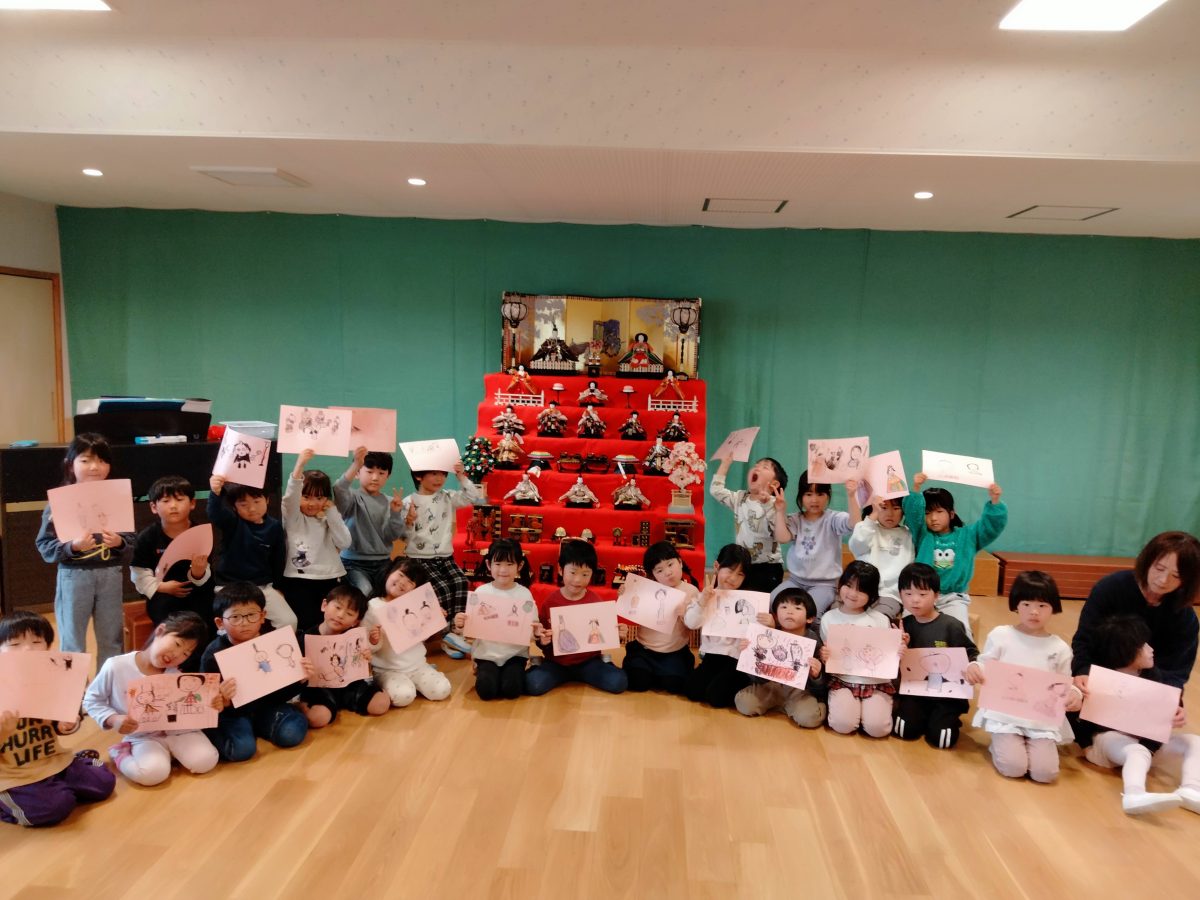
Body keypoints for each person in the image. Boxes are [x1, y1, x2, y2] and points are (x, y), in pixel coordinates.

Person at [1073, 615, 1200, 816]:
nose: (1151, 649)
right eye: (1143, 645)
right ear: (1126, 651)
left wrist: (1174, 712)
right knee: (1136, 751)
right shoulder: (1097, 677)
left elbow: (1159, 716)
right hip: (1106, 742)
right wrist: (1085, 744)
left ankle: (1192, 789)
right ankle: (1134, 794)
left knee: (1193, 741)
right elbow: (1074, 713)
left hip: (1145, 745)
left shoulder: (1153, 675)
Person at [0, 611, 116, 827]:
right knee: (55, 807)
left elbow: (63, 725)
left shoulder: (53, 676)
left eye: (36, 642)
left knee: (103, 783)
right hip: (14, 774)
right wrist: (3, 731)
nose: (27, 649)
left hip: (53, 759)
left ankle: (77, 765)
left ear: (48, 647)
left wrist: (67, 724)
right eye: (14, 644)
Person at [84, 611, 226, 785]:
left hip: (180, 732)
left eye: (186, 653)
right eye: (177, 644)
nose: (177, 655)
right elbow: (91, 700)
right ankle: (121, 753)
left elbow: (193, 710)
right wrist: (113, 719)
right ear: (160, 631)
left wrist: (213, 705)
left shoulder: (179, 676)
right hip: (143, 736)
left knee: (206, 761)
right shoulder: (116, 666)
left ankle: (169, 754)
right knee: (153, 774)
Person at [966, 570, 1080, 783]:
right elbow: (985, 664)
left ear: (1053, 608)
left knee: (1045, 774)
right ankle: (1001, 743)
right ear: (1016, 605)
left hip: (1040, 719)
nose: (1034, 612)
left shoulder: (1060, 648)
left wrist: (1074, 693)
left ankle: (1026, 745)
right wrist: (974, 667)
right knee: (1013, 767)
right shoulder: (1001, 636)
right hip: (1005, 714)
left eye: (1042, 605)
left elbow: (1065, 681)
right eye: (1026, 604)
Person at [35, 433, 134, 670]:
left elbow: (132, 541)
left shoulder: (118, 498)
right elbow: (45, 545)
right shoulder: (59, 502)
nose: (94, 467)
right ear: (71, 464)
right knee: (72, 640)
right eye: (85, 460)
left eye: (102, 460)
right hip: (73, 575)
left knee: (112, 638)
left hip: (110, 573)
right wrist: (72, 546)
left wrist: (119, 542)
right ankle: (75, 690)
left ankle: (106, 687)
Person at [1071, 531, 1200, 693]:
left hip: (1150, 687)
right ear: (1147, 561)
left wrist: (1171, 698)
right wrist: (1083, 670)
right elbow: (1085, 639)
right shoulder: (1111, 588)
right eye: (1159, 568)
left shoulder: (1185, 617)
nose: (1163, 580)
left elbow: (1177, 672)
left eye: (1176, 575)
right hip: (1099, 677)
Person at [199, 583, 311, 761]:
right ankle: (244, 730)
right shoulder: (213, 654)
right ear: (220, 623)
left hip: (268, 707)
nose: (244, 623)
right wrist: (223, 701)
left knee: (292, 733)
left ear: (262, 616)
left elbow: (281, 694)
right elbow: (207, 705)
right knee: (242, 750)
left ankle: (259, 726)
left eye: (251, 615)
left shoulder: (274, 642)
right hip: (233, 715)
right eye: (235, 617)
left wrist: (301, 679)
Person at [902, 473, 1006, 639]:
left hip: (952, 597)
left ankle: (967, 655)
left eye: (939, 512)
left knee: (961, 632)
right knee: (905, 632)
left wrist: (995, 501)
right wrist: (916, 488)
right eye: (928, 513)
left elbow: (990, 527)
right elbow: (913, 514)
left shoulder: (967, 536)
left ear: (951, 514)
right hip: (921, 594)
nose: (933, 518)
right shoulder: (923, 534)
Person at [129, 475, 215, 670]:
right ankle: (168, 667)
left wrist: (198, 573)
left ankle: (198, 670)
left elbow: (206, 574)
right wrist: (161, 587)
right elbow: (139, 571)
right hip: (163, 598)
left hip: (197, 594)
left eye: (180, 499)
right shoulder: (148, 537)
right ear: (153, 507)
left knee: (203, 626)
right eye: (166, 501)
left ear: (192, 503)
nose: (173, 506)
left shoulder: (200, 533)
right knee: (173, 628)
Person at [401, 458, 484, 656]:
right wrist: (409, 522)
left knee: (461, 581)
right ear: (419, 476)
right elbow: (404, 536)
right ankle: (446, 634)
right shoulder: (408, 502)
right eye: (434, 474)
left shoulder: (447, 497)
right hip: (419, 558)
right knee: (442, 588)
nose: (440, 479)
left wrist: (461, 476)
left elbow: (473, 496)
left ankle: (456, 632)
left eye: (443, 474)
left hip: (445, 556)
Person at [893, 563, 979, 750]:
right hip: (916, 691)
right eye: (908, 594)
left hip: (946, 695)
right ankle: (925, 716)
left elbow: (970, 652)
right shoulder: (903, 625)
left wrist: (973, 665)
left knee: (941, 739)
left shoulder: (951, 625)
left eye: (922, 594)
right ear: (900, 595)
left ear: (936, 595)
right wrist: (900, 648)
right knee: (905, 730)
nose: (915, 600)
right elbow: (894, 662)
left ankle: (942, 717)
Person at [525, 540, 628, 695]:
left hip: (589, 662)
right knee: (533, 684)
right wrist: (542, 640)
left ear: (592, 574)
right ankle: (538, 665)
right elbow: (542, 639)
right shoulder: (550, 602)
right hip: (556, 663)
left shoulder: (595, 601)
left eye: (585, 574)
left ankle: (602, 663)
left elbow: (604, 635)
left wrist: (617, 635)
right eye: (573, 573)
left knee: (618, 682)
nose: (578, 580)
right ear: (561, 570)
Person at [451, 539, 535, 701]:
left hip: (515, 655)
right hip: (486, 655)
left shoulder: (524, 594)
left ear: (520, 566)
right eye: (498, 564)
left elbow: (531, 629)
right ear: (489, 565)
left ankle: (514, 671)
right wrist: (460, 625)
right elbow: (470, 630)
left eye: (510, 564)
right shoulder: (481, 592)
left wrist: (535, 632)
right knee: (486, 691)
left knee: (512, 690)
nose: (503, 570)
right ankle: (483, 670)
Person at [362, 557, 453, 707]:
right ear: (388, 572)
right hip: (387, 670)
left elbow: (423, 638)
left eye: (410, 582)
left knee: (443, 690)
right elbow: (365, 646)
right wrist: (373, 640)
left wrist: (433, 620)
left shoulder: (414, 605)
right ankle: (389, 684)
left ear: (415, 589)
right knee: (404, 696)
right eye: (401, 575)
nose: (403, 582)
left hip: (418, 665)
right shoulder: (372, 606)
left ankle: (416, 681)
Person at [208, 474, 294, 630]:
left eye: (257, 501)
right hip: (230, 587)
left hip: (262, 587)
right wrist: (215, 492)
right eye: (243, 504)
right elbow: (215, 514)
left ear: (267, 500)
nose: (252, 508)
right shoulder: (232, 523)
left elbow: (278, 558)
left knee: (288, 622)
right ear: (234, 507)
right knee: (229, 627)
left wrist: (278, 587)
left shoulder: (274, 526)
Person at [278, 449, 352, 631]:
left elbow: (344, 543)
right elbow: (290, 498)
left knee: (330, 626)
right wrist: (299, 465)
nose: (312, 503)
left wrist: (331, 512)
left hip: (331, 577)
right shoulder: (293, 517)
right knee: (305, 625)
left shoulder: (328, 518)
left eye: (319, 498)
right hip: (299, 580)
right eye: (306, 497)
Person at [295, 585, 389, 728]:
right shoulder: (306, 638)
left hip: (351, 686)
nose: (340, 615)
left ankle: (351, 701)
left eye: (349, 613)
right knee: (318, 718)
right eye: (337, 607)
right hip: (319, 689)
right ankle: (300, 706)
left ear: (355, 622)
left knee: (381, 704)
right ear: (324, 605)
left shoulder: (355, 638)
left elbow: (362, 669)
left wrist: (365, 660)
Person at [819, 561, 894, 738]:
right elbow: (829, 656)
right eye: (848, 585)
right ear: (840, 584)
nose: (852, 593)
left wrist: (898, 649)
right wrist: (825, 656)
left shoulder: (880, 620)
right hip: (843, 681)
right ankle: (854, 711)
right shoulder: (829, 618)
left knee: (878, 729)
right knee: (842, 725)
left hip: (875, 683)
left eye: (861, 590)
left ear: (871, 594)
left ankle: (873, 710)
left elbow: (886, 656)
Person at [772, 471, 862, 617]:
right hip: (795, 581)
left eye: (820, 494)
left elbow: (855, 523)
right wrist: (780, 511)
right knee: (771, 603)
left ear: (828, 495)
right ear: (801, 496)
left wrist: (852, 496)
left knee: (810, 614)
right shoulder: (796, 519)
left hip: (824, 584)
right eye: (808, 494)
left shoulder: (833, 519)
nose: (814, 500)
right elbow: (782, 538)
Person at [733, 588, 827, 728]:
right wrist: (747, 655)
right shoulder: (768, 635)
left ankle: (815, 705)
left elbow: (820, 685)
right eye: (784, 607)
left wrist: (816, 674)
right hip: (770, 686)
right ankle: (779, 705)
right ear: (775, 616)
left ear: (810, 618)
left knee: (809, 718)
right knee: (744, 704)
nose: (789, 611)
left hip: (798, 691)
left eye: (797, 608)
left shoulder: (813, 640)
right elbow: (756, 677)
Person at [684, 544, 758, 706]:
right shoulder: (705, 596)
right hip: (712, 656)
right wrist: (703, 602)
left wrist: (769, 623)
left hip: (736, 659)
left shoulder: (748, 600)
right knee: (692, 690)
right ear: (717, 566)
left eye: (740, 574)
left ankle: (746, 682)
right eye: (730, 570)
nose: (733, 578)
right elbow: (691, 623)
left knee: (715, 697)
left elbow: (757, 634)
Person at [622, 542, 698, 694]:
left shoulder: (691, 591)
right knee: (637, 682)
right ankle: (650, 673)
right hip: (644, 649)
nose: (668, 572)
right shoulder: (647, 588)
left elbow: (694, 624)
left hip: (673, 652)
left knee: (675, 685)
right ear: (653, 574)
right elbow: (632, 610)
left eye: (670, 564)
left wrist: (685, 614)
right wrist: (625, 595)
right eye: (659, 570)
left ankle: (661, 674)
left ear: (680, 562)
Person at [334, 447, 408, 599]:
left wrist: (395, 513)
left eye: (381, 473)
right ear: (357, 473)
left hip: (383, 562)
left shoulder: (390, 502)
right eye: (369, 471)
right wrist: (356, 464)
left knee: (390, 593)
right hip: (353, 563)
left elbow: (392, 536)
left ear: (388, 475)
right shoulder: (352, 497)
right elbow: (339, 488)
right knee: (366, 592)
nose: (375, 477)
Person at [709, 456, 788, 593]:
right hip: (742, 565)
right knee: (727, 594)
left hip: (767, 567)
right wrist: (725, 464)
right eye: (756, 465)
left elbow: (780, 534)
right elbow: (716, 491)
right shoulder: (740, 498)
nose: (757, 468)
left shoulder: (775, 504)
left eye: (765, 467)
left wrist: (767, 505)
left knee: (758, 602)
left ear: (774, 484)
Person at [847, 495, 912, 620]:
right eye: (883, 508)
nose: (890, 514)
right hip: (860, 590)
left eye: (896, 508)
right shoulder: (867, 528)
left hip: (889, 595)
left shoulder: (908, 534)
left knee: (878, 619)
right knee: (838, 613)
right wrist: (873, 515)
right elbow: (856, 545)